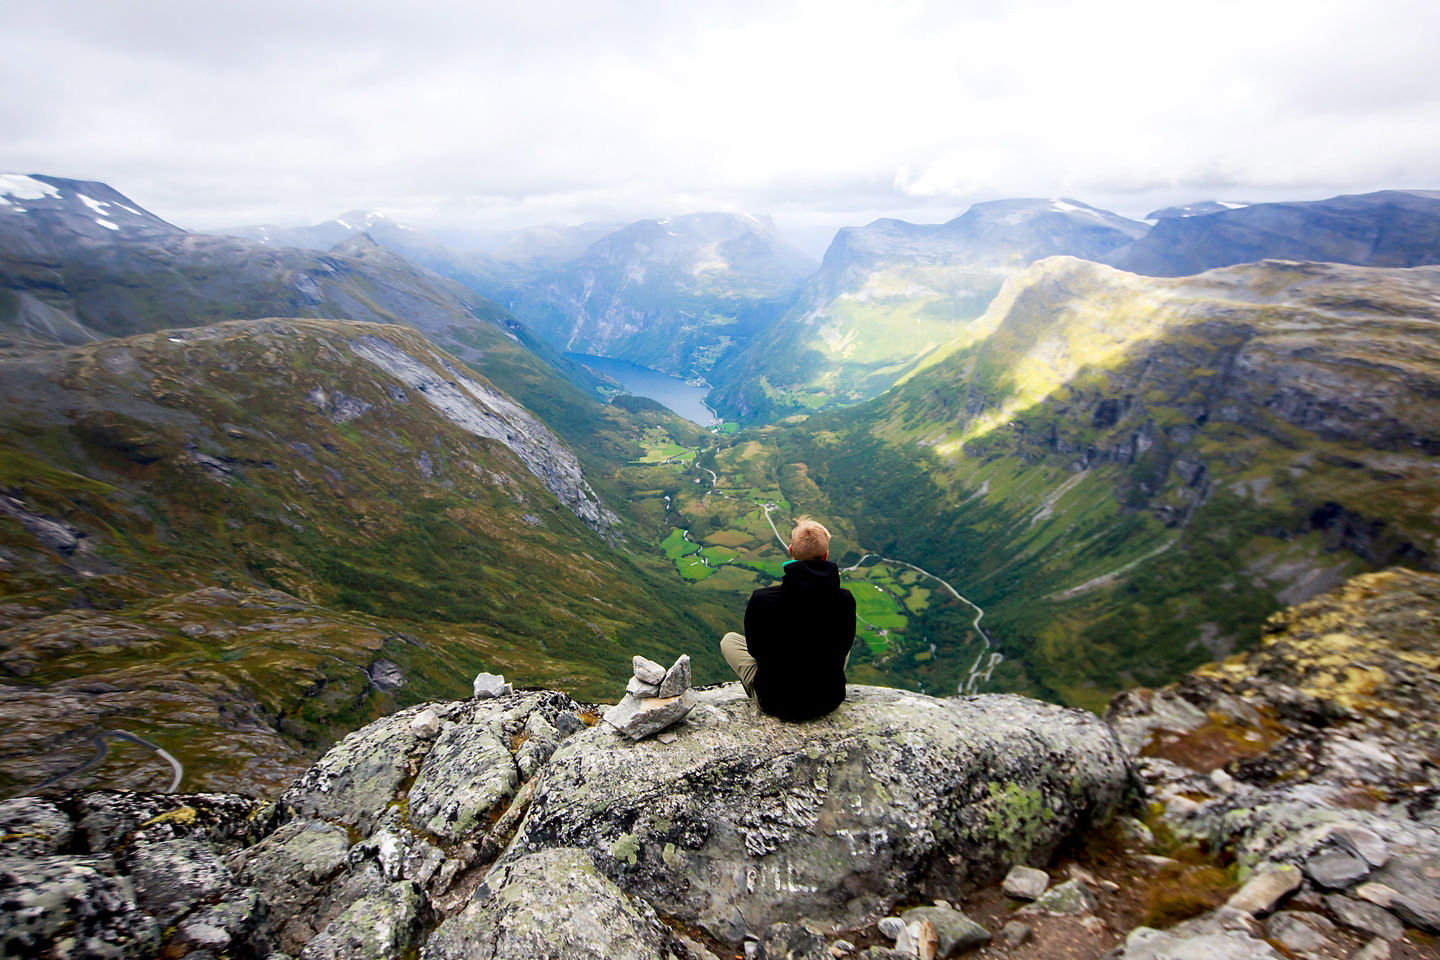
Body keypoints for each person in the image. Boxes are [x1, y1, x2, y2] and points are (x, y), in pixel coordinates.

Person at [720, 514, 856, 721]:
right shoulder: (844, 599)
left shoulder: (762, 599)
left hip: (775, 702)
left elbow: (755, 651)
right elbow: (844, 646)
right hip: (828, 699)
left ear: (791, 552)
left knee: (729, 640)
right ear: (826, 555)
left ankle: (755, 691)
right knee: (840, 641)